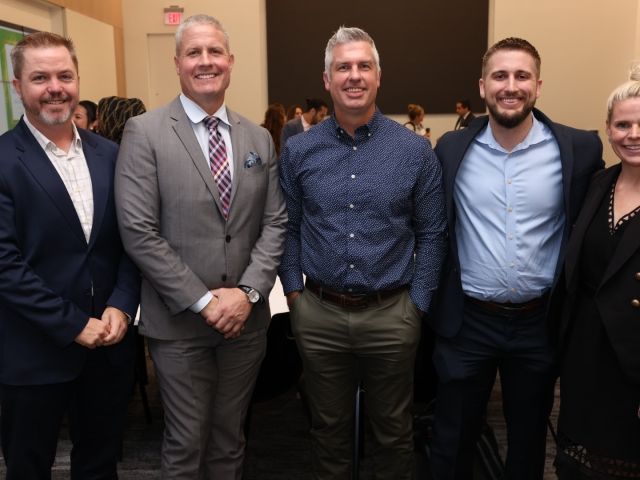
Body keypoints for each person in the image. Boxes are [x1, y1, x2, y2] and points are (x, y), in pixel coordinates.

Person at [114, 14, 287, 479]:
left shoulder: (257, 137)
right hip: (179, 323)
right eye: (194, 52)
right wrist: (205, 302)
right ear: (177, 63)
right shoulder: (144, 132)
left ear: (230, 61)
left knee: (230, 439)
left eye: (214, 52)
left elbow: (275, 222)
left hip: (244, 323)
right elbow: (138, 231)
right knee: (186, 442)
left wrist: (247, 294)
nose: (205, 61)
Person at [427, 37, 604, 480]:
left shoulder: (579, 149)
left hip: (539, 323)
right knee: (451, 440)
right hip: (467, 322)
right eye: (500, 76)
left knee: (528, 443)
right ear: (482, 86)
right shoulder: (451, 149)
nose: (511, 86)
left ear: (538, 85)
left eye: (522, 76)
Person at [278, 26, 447, 479]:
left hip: (392, 314)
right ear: (327, 79)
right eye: (343, 67)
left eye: (363, 66)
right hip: (319, 314)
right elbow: (288, 228)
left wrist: (417, 306)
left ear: (378, 77)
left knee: (393, 432)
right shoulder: (298, 150)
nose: (354, 75)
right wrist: (295, 296)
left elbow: (433, 234)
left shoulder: (415, 151)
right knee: (327, 431)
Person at [0, 31, 140, 479]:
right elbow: (5, 265)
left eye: (64, 75)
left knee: (100, 466)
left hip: (109, 346)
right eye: (40, 77)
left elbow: (133, 242)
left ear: (78, 80)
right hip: (32, 351)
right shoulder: (3, 159)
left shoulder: (113, 155)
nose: (55, 88)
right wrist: (73, 323)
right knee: (28, 467)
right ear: (18, 86)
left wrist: (123, 303)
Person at [554, 67, 640, 479]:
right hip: (587, 349)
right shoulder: (597, 184)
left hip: (634, 355)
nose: (633, 134)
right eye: (623, 125)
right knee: (583, 462)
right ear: (608, 129)